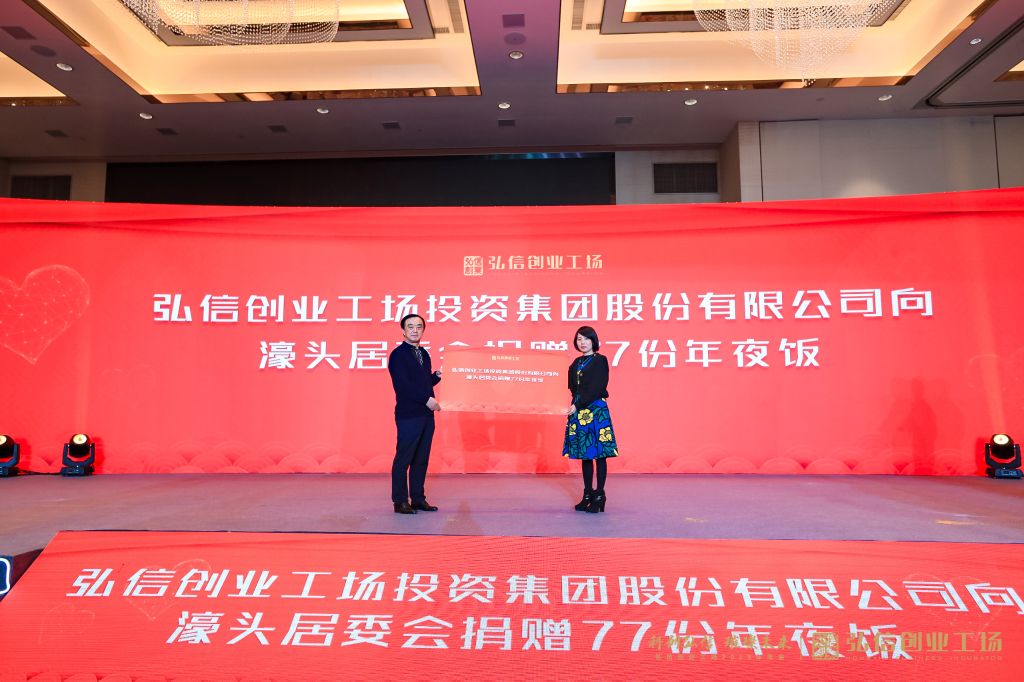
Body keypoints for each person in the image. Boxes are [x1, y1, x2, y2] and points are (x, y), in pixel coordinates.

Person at [388, 313, 442, 514]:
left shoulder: (424, 354)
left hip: (426, 416)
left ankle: (418, 499)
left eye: (419, 326)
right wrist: (427, 400)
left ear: (423, 330)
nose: (415, 330)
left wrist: (437, 376)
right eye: (410, 326)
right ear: (403, 330)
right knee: (404, 458)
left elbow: (424, 383)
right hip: (409, 415)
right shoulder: (398, 355)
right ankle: (400, 501)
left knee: (421, 459)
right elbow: (403, 385)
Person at [562, 325, 618, 513]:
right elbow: (572, 387)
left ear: (593, 341)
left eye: (586, 338)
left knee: (600, 454)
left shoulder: (600, 360)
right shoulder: (575, 363)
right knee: (585, 454)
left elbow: (597, 387)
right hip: (579, 411)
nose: (582, 342)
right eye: (579, 339)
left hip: (596, 410)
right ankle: (587, 494)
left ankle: (599, 495)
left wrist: (578, 404)